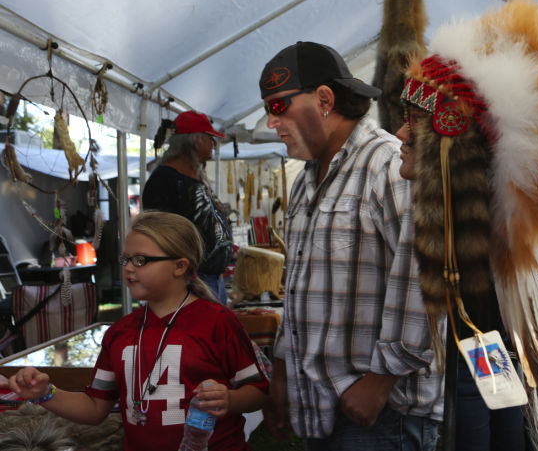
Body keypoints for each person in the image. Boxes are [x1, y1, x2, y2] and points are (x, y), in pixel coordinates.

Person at [259, 41, 444, 450]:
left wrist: (380, 384)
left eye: (277, 107)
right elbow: (298, 288)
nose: (272, 123)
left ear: (324, 99)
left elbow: (428, 281)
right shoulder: (307, 179)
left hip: (382, 414)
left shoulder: (390, 166)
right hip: (322, 407)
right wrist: (281, 373)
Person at [7, 211, 268, 451]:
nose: (129, 267)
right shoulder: (120, 332)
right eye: (126, 259)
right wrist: (45, 393)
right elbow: (96, 407)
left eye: (141, 260)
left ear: (180, 266)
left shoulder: (217, 322)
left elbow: (259, 391)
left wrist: (230, 400)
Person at [397, 92, 527, 451]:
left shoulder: (457, 224)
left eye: (412, 121)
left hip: (473, 356)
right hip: (483, 354)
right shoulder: (475, 213)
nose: (399, 134)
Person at [142, 111, 233, 305]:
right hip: (190, 282)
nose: (214, 144)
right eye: (210, 138)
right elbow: (157, 236)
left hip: (211, 278)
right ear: (196, 140)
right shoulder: (164, 179)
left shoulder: (194, 176)